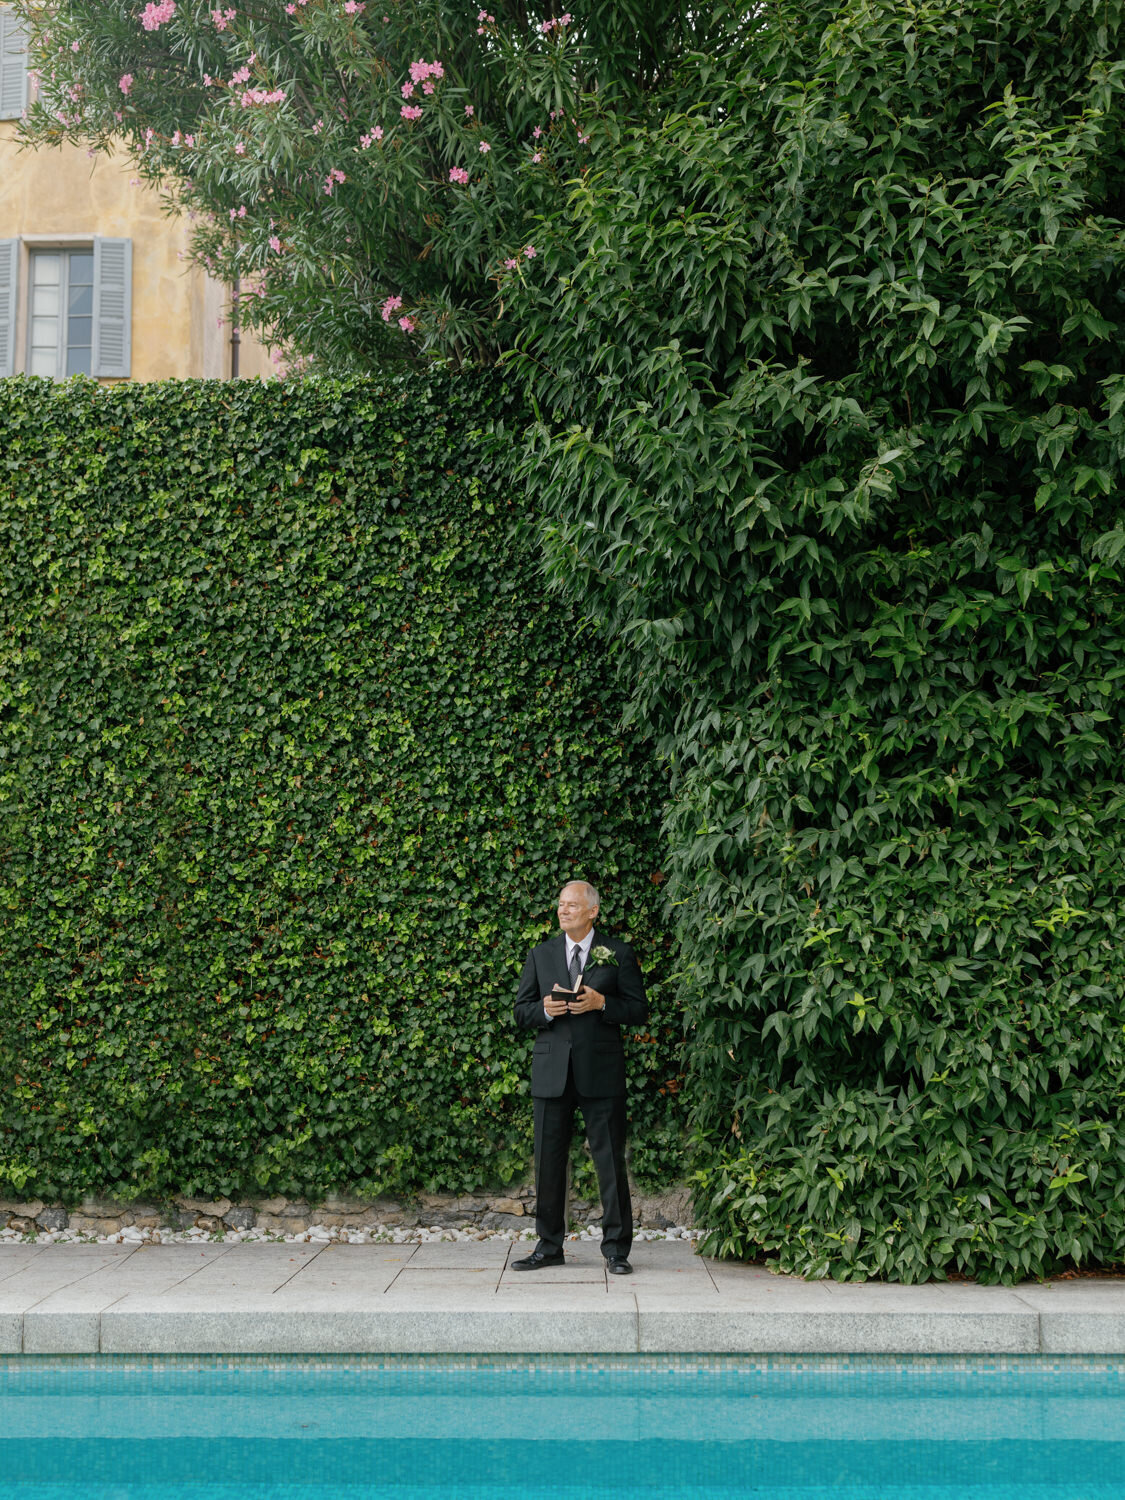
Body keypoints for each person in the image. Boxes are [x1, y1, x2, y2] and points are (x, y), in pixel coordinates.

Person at [512, 880, 649, 1275]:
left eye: (572, 905)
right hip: (551, 1072)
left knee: (609, 1162)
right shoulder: (541, 954)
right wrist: (546, 1010)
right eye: (560, 905)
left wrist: (602, 1002)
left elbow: (639, 1010)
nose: (563, 910)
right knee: (548, 1163)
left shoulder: (617, 953)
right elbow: (521, 1012)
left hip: (600, 1072)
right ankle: (549, 1246)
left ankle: (616, 1250)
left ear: (593, 911)